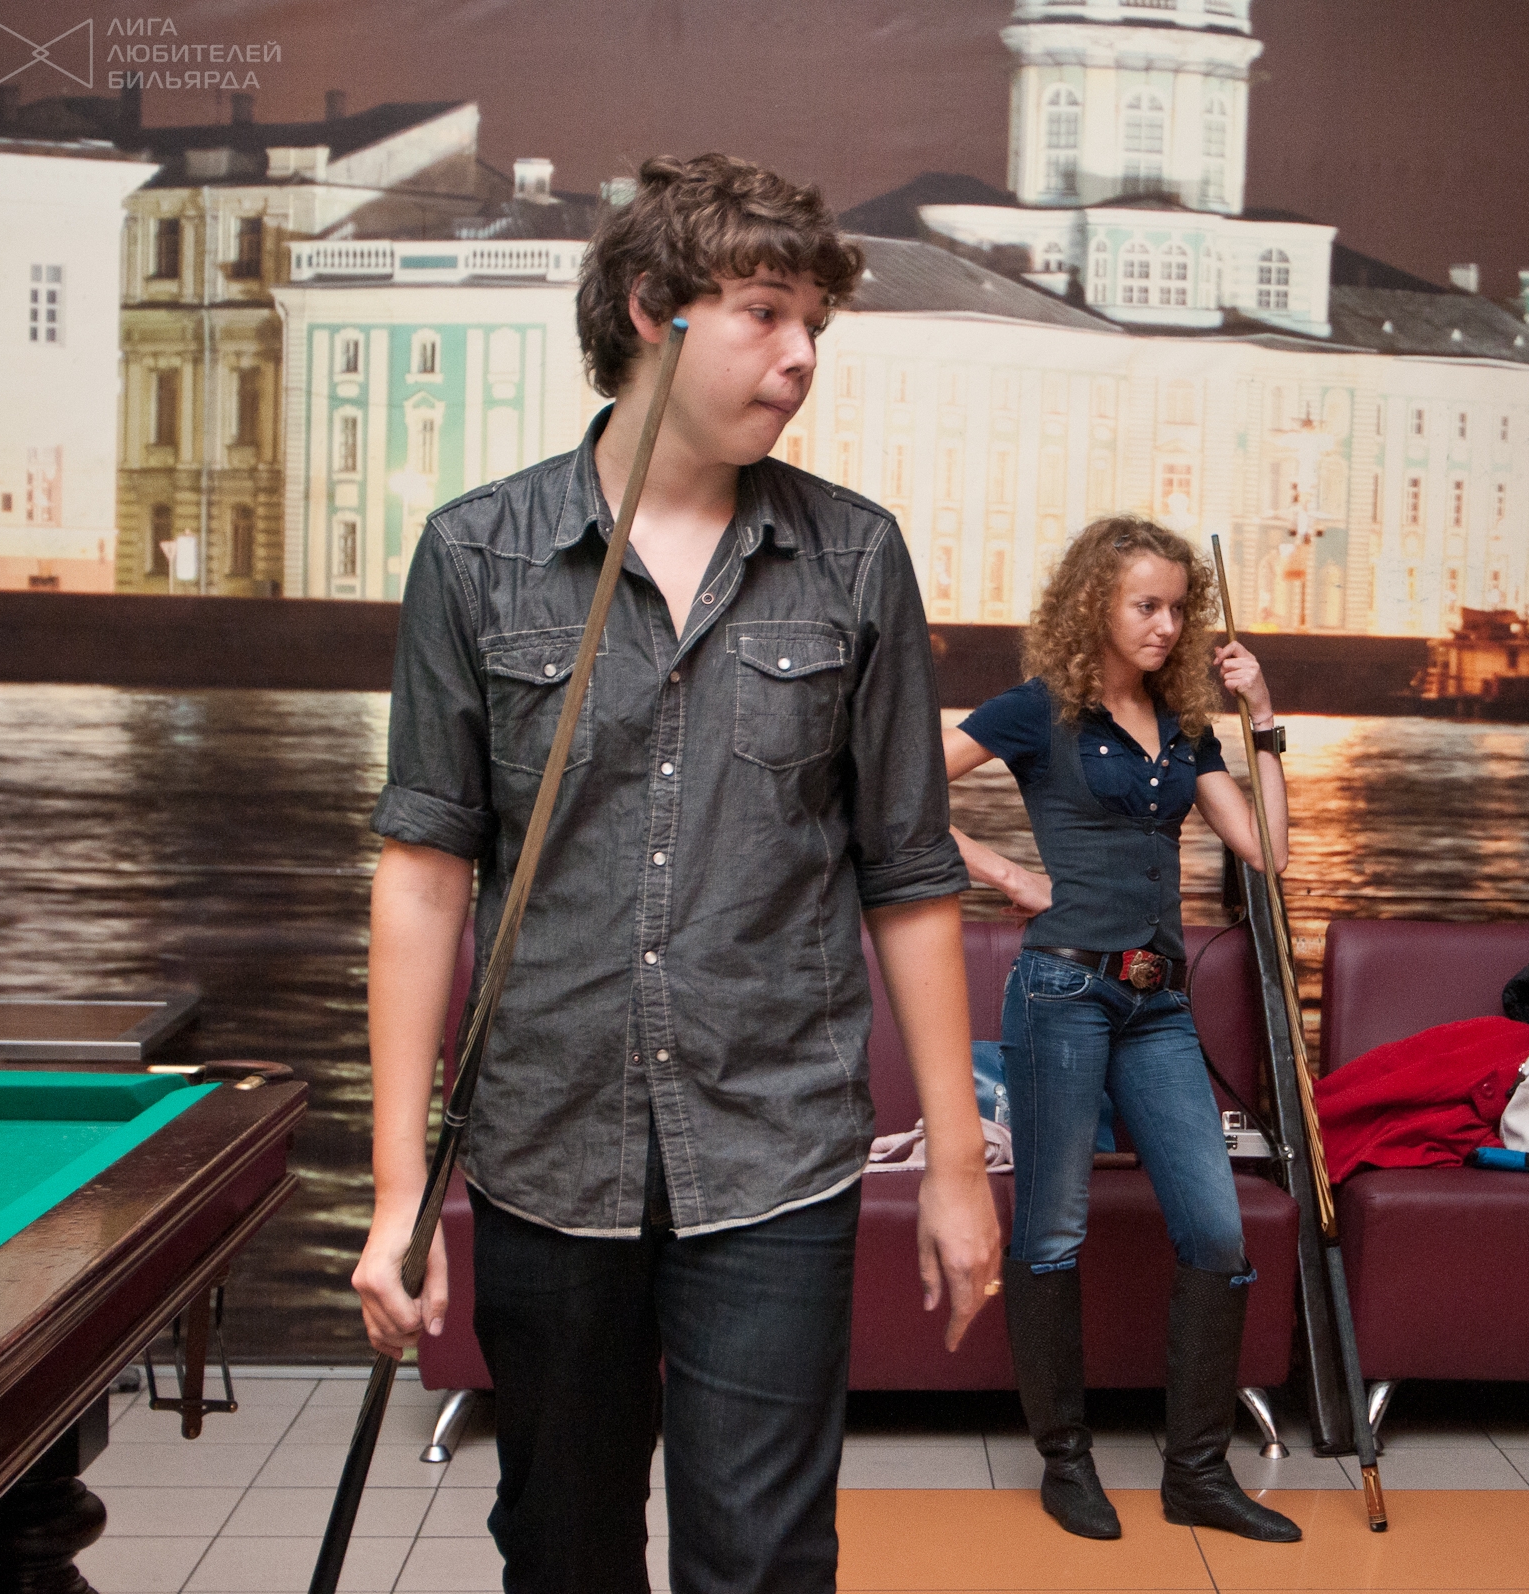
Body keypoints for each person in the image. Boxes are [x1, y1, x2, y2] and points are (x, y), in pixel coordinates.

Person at [350, 154, 1000, 1594]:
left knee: (763, 1561)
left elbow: (907, 876)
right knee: (564, 1554)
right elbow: (424, 877)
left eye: (815, 322)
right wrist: (399, 1190)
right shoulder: (478, 554)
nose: (802, 354)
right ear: (654, 309)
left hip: (776, 1152)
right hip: (545, 1152)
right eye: (765, 313)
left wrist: (957, 1168)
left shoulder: (854, 558)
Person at [946, 517, 1301, 1545]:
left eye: (1179, 607)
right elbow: (893, 793)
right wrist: (1007, 875)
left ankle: (1197, 1475)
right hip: (1061, 991)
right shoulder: (1036, 711)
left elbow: (1269, 851)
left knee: (1218, 1234)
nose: (1167, 624)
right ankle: (1067, 1463)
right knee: (1053, 1228)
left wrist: (1262, 717)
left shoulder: (1185, 727)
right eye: (1147, 604)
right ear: (1093, 605)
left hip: (1159, 1005)